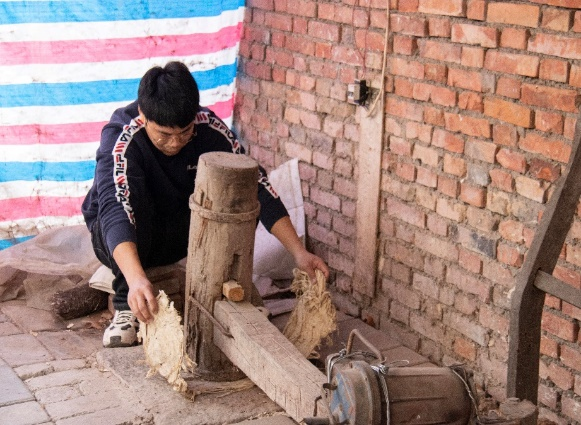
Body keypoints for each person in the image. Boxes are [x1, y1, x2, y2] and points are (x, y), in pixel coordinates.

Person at [82, 61, 329, 348]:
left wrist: (299, 252)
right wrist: (136, 279)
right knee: (132, 205)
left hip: (177, 232)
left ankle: (232, 296)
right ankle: (126, 304)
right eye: (164, 135)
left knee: (235, 194)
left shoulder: (208, 127)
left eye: (184, 132)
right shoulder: (121, 136)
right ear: (143, 115)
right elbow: (115, 209)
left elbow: (257, 184)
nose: (175, 143)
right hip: (119, 234)